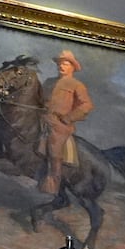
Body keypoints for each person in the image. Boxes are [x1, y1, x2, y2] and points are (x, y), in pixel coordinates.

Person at [39, 50, 93, 195]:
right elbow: (40, 99)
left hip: (60, 125)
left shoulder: (77, 85)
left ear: (72, 67)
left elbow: (86, 105)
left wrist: (68, 118)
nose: (61, 66)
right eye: (59, 63)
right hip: (42, 117)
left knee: (54, 145)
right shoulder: (49, 82)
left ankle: (53, 182)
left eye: (65, 63)